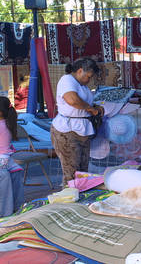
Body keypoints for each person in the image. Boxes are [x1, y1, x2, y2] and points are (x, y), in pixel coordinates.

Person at [51, 58, 104, 186]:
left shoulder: (82, 85)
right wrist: (90, 109)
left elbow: (84, 102)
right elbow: (72, 100)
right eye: (88, 76)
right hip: (68, 131)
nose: (89, 80)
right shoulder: (67, 80)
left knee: (81, 171)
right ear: (80, 71)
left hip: (82, 130)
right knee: (71, 172)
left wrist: (95, 107)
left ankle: (80, 198)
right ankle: (68, 200)